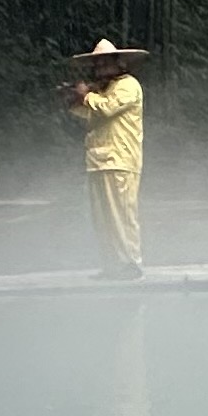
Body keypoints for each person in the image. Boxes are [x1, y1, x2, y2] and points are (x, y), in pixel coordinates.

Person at [63, 39, 151, 279]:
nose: (99, 66)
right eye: (97, 63)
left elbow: (108, 108)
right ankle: (112, 266)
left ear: (119, 62)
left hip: (120, 159)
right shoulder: (104, 89)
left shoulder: (128, 85)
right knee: (102, 218)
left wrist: (86, 95)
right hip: (99, 160)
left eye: (104, 62)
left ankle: (130, 264)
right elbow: (90, 113)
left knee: (121, 214)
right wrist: (73, 100)